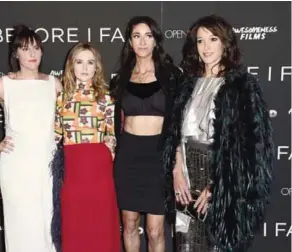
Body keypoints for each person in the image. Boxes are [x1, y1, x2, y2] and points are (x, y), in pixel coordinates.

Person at [162, 15, 274, 251]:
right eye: (200, 41)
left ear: (225, 42)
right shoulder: (188, 84)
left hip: (223, 181)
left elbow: (249, 148)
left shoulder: (242, 86)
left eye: (213, 39)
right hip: (186, 177)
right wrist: (176, 170)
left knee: (217, 245)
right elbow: (175, 133)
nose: (206, 47)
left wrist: (216, 187)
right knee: (187, 244)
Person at [0, 24, 62, 252]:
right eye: (26, 49)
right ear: (15, 53)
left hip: (48, 165)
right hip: (16, 167)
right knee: (21, 226)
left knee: (49, 226)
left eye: (36, 48)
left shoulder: (53, 84)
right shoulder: (3, 84)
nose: (32, 54)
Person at [110, 16, 182, 252]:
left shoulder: (172, 77)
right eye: (136, 36)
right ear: (129, 42)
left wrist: (176, 160)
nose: (142, 42)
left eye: (148, 36)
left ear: (156, 41)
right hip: (128, 156)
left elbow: (179, 122)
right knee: (129, 225)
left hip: (158, 155)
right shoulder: (120, 79)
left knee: (155, 230)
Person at [54, 42, 120, 252]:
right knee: (74, 227)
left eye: (90, 62)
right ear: (71, 66)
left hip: (99, 170)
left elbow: (112, 135)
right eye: (79, 62)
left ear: (96, 67)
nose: (84, 68)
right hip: (73, 171)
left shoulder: (107, 98)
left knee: (101, 227)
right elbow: (56, 135)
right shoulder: (61, 98)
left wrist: (109, 152)